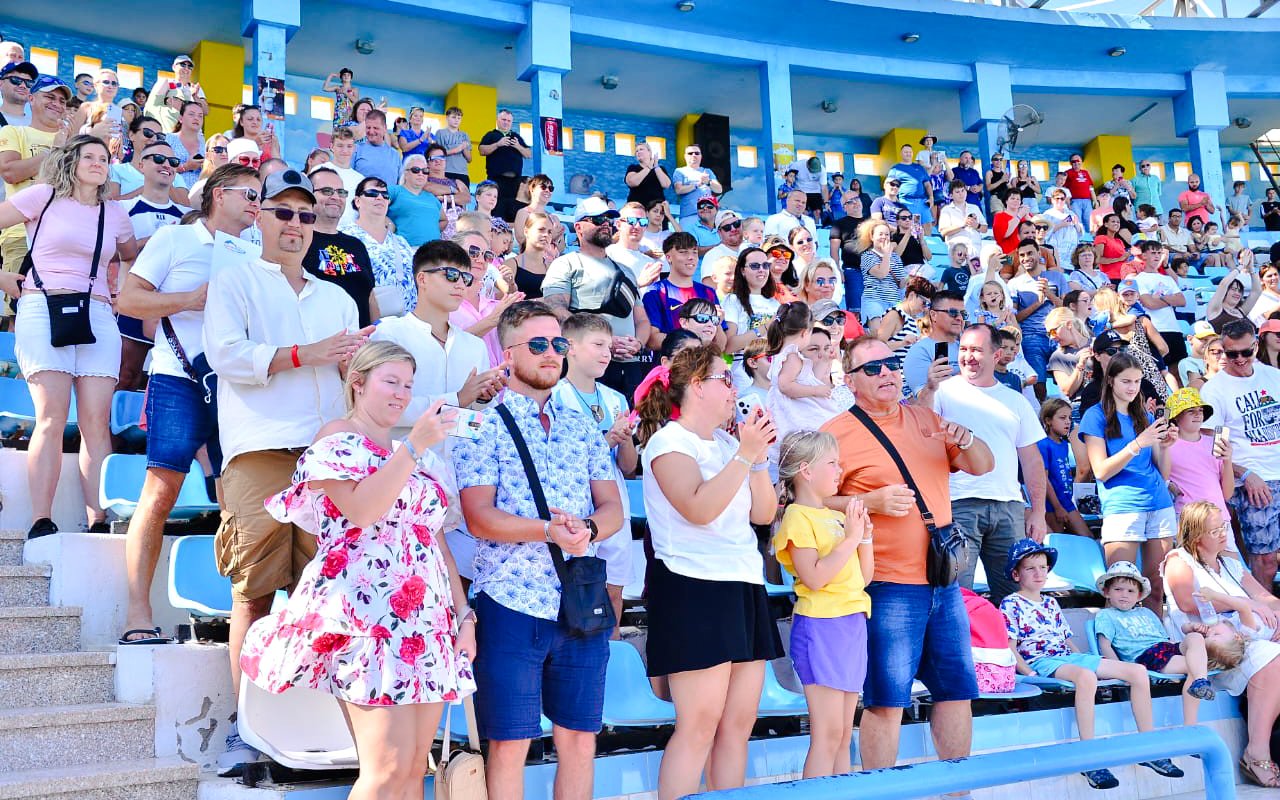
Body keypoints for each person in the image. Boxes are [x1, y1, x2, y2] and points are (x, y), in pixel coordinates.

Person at [239, 340, 475, 800]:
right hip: (365, 618)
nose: (401, 394)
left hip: (426, 621)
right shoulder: (338, 438)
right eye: (390, 382)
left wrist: (463, 615)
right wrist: (413, 446)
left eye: (408, 385)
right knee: (384, 768)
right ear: (358, 382)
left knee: (412, 770)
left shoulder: (418, 457)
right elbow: (362, 510)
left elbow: (436, 542)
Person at [202, 169, 372, 774]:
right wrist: (310, 354)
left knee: (321, 592)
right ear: (260, 217)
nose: (295, 224)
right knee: (253, 588)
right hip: (261, 449)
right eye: (283, 212)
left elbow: (352, 381)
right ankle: (246, 730)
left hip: (325, 456)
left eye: (305, 216)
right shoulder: (233, 278)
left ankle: (313, 725)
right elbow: (225, 356)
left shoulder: (339, 297)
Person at [452, 300, 621, 800]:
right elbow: (479, 516)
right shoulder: (480, 424)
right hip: (510, 602)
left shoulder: (583, 424)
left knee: (580, 739)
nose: (552, 354)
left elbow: (611, 505)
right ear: (507, 354)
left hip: (577, 602)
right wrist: (549, 531)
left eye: (560, 344)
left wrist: (586, 528)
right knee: (508, 745)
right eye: (539, 344)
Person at [820, 336, 992, 770]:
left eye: (891, 363)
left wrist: (966, 437)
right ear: (850, 381)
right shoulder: (834, 433)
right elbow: (810, 501)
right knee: (886, 700)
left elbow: (984, 465)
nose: (886, 373)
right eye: (872, 368)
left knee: (956, 692)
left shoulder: (926, 418)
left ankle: (957, 793)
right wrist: (868, 504)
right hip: (887, 584)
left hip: (943, 580)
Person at [633, 343, 782, 799]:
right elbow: (698, 508)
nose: (732, 387)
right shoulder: (667, 441)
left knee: (738, 725)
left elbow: (763, 513)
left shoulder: (726, 442)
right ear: (697, 386)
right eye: (724, 378)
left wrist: (754, 457)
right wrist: (744, 456)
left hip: (742, 583)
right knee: (698, 726)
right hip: (692, 588)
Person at [0, 134, 138, 539]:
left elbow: (131, 256)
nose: (98, 163)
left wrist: (121, 293)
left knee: (97, 421)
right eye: (89, 156)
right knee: (52, 417)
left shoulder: (115, 213)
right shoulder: (41, 197)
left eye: (103, 158)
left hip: (96, 311)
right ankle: (41, 518)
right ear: (71, 161)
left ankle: (98, 517)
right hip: (43, 305)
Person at [1002, 539, 1180, 791]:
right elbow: (1009, 646)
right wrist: (1028, 671)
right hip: (1041, 661)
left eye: (1042, 567)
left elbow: (1067, 640)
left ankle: (1148, 746)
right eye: (1031, 568)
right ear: (1016, 573)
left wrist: (1088, 658)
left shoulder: (1051, 603)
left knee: (1137, 671)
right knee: (1086, 677)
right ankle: (1089, 757)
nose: (1039, 573)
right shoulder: (1011, 603)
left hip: (1068, 657)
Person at [773, 430, 873, 779]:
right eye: (831, 462)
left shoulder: (837, 516)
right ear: (806, 470)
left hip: (851, 623)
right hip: (822, 626)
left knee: (845, 735)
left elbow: (865, 575)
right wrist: (850, 539)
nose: (839, 469)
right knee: (827, 735)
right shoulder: (797, 516)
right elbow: (815, 577)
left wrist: (865, 537)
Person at [1163, 500, 1280, 787]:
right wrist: (1242, 603)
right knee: (1270, 655)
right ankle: (1257, 752)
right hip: (1207, 640)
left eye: (1223, 526)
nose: (1222, 533)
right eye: (1213, 530)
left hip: (1244, 631)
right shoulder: (1179, 559)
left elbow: (1266, 598)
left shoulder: (1229, 562)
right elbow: (1188, 601)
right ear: (1195, 535)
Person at [929, 324, 1048, 604]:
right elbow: (918, 432)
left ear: (996, 355)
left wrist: (1039, 512)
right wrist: (929, 388)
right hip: (958, 504)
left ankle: (1009, 649)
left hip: (1009, 507)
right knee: (958, 595)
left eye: (977, 350)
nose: (968, 356)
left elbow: (1031, 461)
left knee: (1015, 598)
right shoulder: (942, 392)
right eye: (964, 349)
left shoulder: (1016, 401)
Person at [553, 313, 638, 631]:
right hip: (578, 511)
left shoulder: (616, 399)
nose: (606, 353)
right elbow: (565, 460)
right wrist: (606, 439)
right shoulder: (556, 398)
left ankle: (612, 662)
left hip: (617, 509)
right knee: (578, 593)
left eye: (609, 346)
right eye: (598, 345)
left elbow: (628, 466)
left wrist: (624, 440)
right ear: (570, 347)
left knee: (613, 593)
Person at [1080, 353, 1177, 611]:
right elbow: (1100, 470)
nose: (1133, 387)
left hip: (1158, 503)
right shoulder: (1095, 415)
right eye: (1126, 381)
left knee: (1155, 588)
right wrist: (1137, 444)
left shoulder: (1142, 415)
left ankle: (1157, 648)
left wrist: (1166, 447)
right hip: (1123, 507)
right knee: (1119, 592)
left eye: (1136, 381)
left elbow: (1164, 472)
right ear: (1110, 380)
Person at [542, 197, 651, 395]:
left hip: (630, 366)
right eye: (598, 220)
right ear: (579, 227)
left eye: (609, 221)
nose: (606, 225)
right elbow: (555, 309)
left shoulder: (626, 271)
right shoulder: (566, 263)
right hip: (586, 364)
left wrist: (638, 344)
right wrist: (606, 340)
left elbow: (641, 320)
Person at [1201, 319, 1280, 588]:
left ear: (1256, 346)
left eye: (1246, 352)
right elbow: (1213, 448)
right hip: (1254, 481)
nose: (1239, 359)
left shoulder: (1273, 376)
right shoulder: (1215, 389)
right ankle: (1268, 623)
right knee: (1266, 559)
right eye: (1231, 353)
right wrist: (1245, 474)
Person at [0, 75, 69, 291]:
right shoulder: (13, 131)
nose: (57, 104)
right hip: (21, 234)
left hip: (66, 236)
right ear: (31, 98)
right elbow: (9, 172)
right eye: (50, 97)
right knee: (18, 313)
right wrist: (55, 152)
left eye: (62, 100)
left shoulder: (74, 142)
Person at [303, 166, 377, 326]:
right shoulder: (299, 240)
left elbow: (370, 296)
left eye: (341, 192)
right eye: (327, 191)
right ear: (309, 196)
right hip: (319, 344)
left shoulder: (356, 245)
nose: (336, 197)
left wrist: (375, 336)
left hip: (361, 344)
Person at [766, 303, 837, 458]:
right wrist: (815, 391)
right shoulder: (792, 356)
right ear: (805, 332)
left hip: (798, 407)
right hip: (794, 412)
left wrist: (826, 361)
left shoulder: (789, 354)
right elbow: (785, 386)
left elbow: (809, 380)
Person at [341, 176, 415, 316]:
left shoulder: (401, 242)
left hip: (406, 325)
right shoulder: (344, 237)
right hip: (364, 324)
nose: (380, 197)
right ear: (357, 201)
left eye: (385, 195)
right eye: (372, 193)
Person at [643, 231, 722, 349]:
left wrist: (717, 323)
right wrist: (695, 340)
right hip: (671, 364)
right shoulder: (656, 292)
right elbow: (653, 340)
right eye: (683, 252)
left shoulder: (708, 292)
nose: (691, 257)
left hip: (702, 365)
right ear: (668, 257)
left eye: (694, 253)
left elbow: (721, 345)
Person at [1038, 398, 1092, 537]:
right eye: (1062, 418)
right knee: (1059, 539)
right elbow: (1043, 479)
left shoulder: (1063, 444)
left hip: (1066, 500)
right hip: (1052, 505)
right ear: (1048, 420)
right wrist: (1057, 507)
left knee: (1087, 537)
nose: (1068, 421)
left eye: (1069, 417)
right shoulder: (1043, 445)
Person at [902, 290, 967, 398]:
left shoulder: (967, 348)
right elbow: (922, 401)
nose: (959, 318)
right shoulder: (920, 351)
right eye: (952, 312)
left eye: (963, 314)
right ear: (933, 315)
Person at [722, 247, 780, 353]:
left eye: (765, 265)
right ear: (742, 271)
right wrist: (766, 327)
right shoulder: (733, 300)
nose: (761, 270)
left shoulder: (775, 304)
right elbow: (728, 346)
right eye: (755, 266)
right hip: (742, 366)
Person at [477, 109, 531, 222]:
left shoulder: (516, 137)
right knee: (497, 209)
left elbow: (528, 154)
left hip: (514, 181)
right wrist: (498, 144)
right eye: (503, 119)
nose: (506, 122)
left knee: (513, 210)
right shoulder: (491, 135)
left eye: (509, 120)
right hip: (496, 180)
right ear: (497, 120)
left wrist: (517, 146)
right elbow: (482, 150)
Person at [859, 220, 908, 329]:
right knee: (878, 335)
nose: (884, 237)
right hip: (874, 300)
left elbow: (901, 284)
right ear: (872, 237)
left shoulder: (895, 257)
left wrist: (910, 277)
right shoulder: (867, 256)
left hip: (894, 301)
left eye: (887, 234)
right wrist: (887, 253)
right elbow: (882, 273)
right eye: (880, 234)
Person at [387, 153, 442, 249]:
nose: (421, 174)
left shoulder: (431, 198)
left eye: (425, 171)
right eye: (415, 170)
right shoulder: (394, 191)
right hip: (405, 249)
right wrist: (389, 224)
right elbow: (373, 205)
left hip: (434, 251)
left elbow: (443, 220)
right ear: (406, 173)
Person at [673, 142, 721, 229]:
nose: (694, 155)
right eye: (690, 153)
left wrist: (708, 182)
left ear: (701, 156)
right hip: (688, 216)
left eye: (697, 153)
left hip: (708, 217)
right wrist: (697, 184)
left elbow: (719, 190)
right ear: (685, 156)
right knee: (688, 242)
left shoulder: (708, 171)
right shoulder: (679, 171)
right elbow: (678, 190)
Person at [887, 144, 932, 232]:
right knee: (911, 227)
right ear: (901, 153)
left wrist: (931, 197)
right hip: (906, 201)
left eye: (910, 152)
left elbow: (927, 184)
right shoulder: (896, 168)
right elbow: (889, 184)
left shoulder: (919, 168)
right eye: (906, 152)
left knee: (927, 224)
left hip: (922, 201)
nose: (908, 154)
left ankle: (927, 244)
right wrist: (895, 199)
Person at [938, 179, 988, 256]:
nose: (961, 194)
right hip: (957, 251)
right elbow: (944, 232)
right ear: (951, 195)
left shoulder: (974, 208)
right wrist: (962, 225)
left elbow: (985, 229)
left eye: (963, 191)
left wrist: (977, 225)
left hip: (975, 250)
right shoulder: (946, 210)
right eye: (957, 192)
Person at [352, 109, 400, 187]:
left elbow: (399, 183)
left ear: (385, 128)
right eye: (368, 127)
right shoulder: (356, 149)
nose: (371, 131)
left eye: (375, 128)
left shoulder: (395, 155)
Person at [433, 106, 472, 185]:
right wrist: (456, 149)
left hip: (462, 173)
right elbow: (437, 154)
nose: (456, 120)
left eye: (459, 118)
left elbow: (469, 159)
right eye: (454, 117)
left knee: (462, 196)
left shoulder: (464, 135)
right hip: (445, 171)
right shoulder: (440, 133)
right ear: (447, 117)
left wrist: (464, 149)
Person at [625, 140, 670, 207]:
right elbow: (632, 182)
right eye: (636, 151)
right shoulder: (633, 168)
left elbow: (666, 185)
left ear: (649, 152)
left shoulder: (660, 169)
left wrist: (656, 166)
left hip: (656, 210)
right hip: (637, 208)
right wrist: (649, 167)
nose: (638, 152)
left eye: (641, 149)